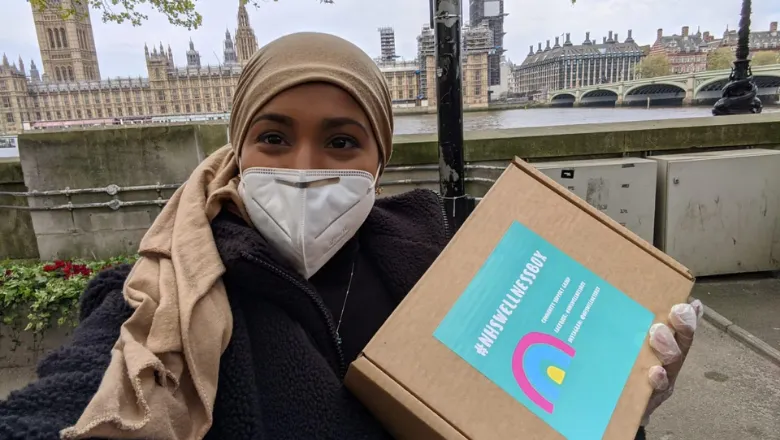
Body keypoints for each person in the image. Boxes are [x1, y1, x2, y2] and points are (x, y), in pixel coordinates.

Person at [0, 32, 703, 440]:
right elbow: (60, 404)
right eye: (274, 137)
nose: (305, 169)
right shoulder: (166, 292)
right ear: (238, 152)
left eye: (341, 141)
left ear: (380, 161)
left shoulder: (444, 257)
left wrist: (620, 402)